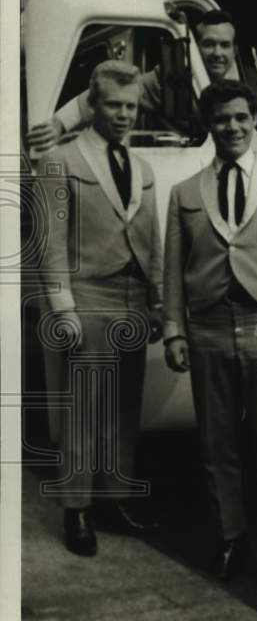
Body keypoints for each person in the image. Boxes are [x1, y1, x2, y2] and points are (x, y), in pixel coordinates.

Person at [162, 80, 257, 600]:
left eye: (242, 117)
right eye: (222, 119)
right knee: (217, 444)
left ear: (254, 119)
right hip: (209, 331)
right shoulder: (186, 192)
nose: (233, 127)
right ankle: (230, 537)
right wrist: (174, 330)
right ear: (209, 125)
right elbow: (172, 270)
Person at [36, 60, 163, 556]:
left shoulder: (144, 168)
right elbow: (49, 243)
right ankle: (78, 510)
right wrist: (62, 307)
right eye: (114, 105)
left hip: (132, 303)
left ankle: (113, 499)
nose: (125, 114)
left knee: (123, 409)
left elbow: (151, 241)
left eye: (131, 106)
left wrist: (155, 304)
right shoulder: (61, 160)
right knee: (84, 409)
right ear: (94, 105)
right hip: (87, 297)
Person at [26, 10, 240, 152]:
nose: (217, 53)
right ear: (194, 47)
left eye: (224, 45)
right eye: (209, 44)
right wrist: (59, 124)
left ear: (234, 49)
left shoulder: (247, 86)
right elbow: (108, 92)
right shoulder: (172, 79)